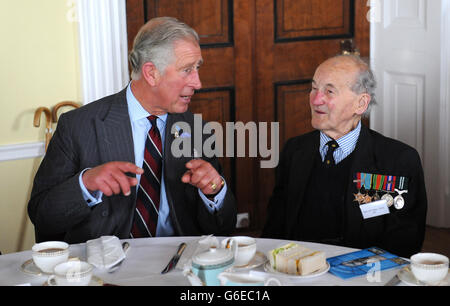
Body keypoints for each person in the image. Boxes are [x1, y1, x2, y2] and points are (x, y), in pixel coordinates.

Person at [28, 17, 237, 244]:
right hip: (103, 270)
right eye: (187, 70)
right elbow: (42, 216)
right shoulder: (78, 126)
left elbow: (223, 228)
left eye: (197, 68)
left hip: (178, 264)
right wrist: (85, 184)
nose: (198, 83)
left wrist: (214, 192)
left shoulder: (197, 130)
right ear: (151, 73)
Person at [262, 54, 427, 257]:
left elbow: (404, 242)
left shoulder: (396, 161)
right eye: (314, 88)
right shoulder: (294, 151)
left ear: (361, 104)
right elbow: (275, 228)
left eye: (329, 91)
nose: (315, 100)